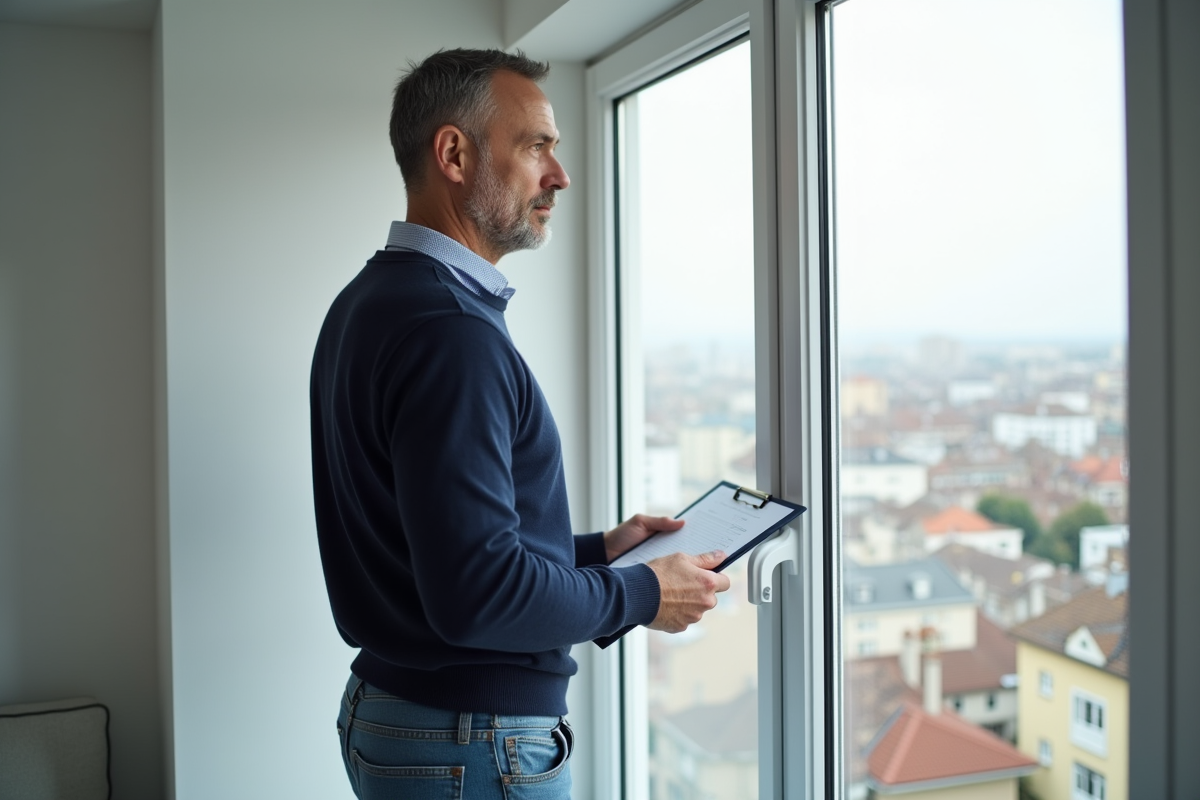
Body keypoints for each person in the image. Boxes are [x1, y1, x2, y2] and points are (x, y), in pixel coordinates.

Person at [310, 48, 730, 799]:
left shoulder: (370, 302)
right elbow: (476, 592)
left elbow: (437, 546)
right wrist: (639, 593)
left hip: (411, 719)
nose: (559, 175)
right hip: (470, 741)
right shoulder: (449, 329)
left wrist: (600, 553)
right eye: (536, 145)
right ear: (454, 154)